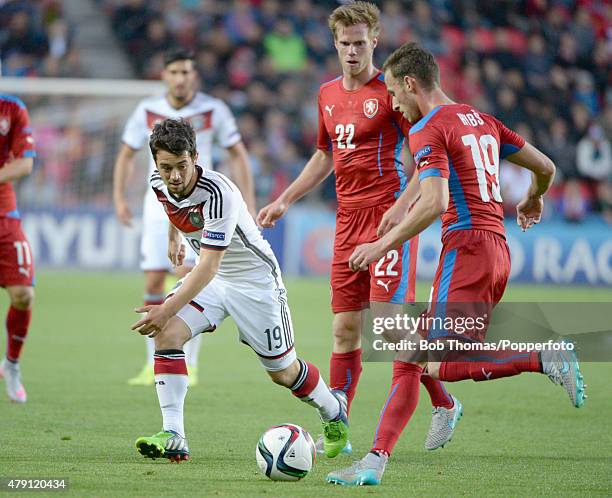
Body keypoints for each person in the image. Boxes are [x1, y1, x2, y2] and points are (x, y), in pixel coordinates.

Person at [327, 42, 585, 486]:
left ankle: (543, 356)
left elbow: (435, 203)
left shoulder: (426, 128)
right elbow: (546, 165)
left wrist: (380, 245)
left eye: (393, 92)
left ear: (411, 83)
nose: (393, 103)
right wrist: (533, 198)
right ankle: (375, 462)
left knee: (439, 363)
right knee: (411, 353)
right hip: (496, 248)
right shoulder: (482, 119)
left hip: (465, 249)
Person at [257, 1, 460, 454]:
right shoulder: (327, 94)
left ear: (375, 41)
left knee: (389, 333)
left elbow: (424, 152)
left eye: (360, 43)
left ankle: (444, 402)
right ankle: (338, 423)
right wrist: (285, 199)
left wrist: (405, 204)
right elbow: (326, 154)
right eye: (345, 43)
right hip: (347, 222)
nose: (352, 51)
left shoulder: (390, 93)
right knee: (345, 330)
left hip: (387, 219)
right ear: (335, 43)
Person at [132, 118, 348, 462]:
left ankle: (333, 411)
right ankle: (174, 433)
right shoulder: (158, 179)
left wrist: (166, 306)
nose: (174, 176)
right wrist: (174, 237)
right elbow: (169, 205)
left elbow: (207, 265)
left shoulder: (219, 194)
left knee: (283, 372)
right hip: (214, 282)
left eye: (182, 166)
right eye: (166, 167)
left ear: (196, 157)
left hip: (254, 282)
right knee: (167, 334)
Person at [113, 48, 255, 387]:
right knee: (151, 281)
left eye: (186, 72)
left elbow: (238, 153)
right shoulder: (147, 110)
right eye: (174, 72)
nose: (181, 78)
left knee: (188, 276)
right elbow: (126, 154)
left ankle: (188, 361)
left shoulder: (214, 109)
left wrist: (247, 202)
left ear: (195, 76)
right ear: (164, 75)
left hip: (200, 206)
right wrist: (118, 197)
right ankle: (152, 362)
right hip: (158, 205)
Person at [0, 93, 36, 403]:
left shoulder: (12, 109)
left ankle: (11, 364)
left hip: (4, 216)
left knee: (23, 295)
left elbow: (25, 164)